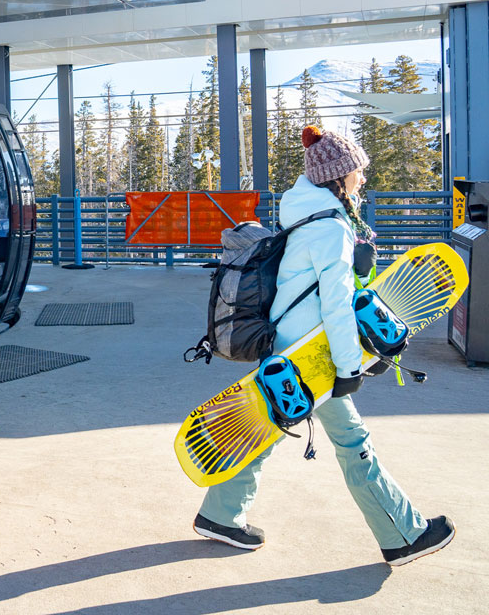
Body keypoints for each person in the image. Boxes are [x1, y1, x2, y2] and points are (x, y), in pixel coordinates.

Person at [192, 125, 455, 567]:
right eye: (357, 172)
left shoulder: (311, 214)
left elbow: (322, 288)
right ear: (338, 177)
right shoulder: (331, 227)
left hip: (291, 345)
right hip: (311, 354)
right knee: (352, 441)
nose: (362, 179)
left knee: (268, 427)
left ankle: (220, 515)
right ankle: (402, 535)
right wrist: (349, 368)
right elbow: (333, 304)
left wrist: (358, 269)